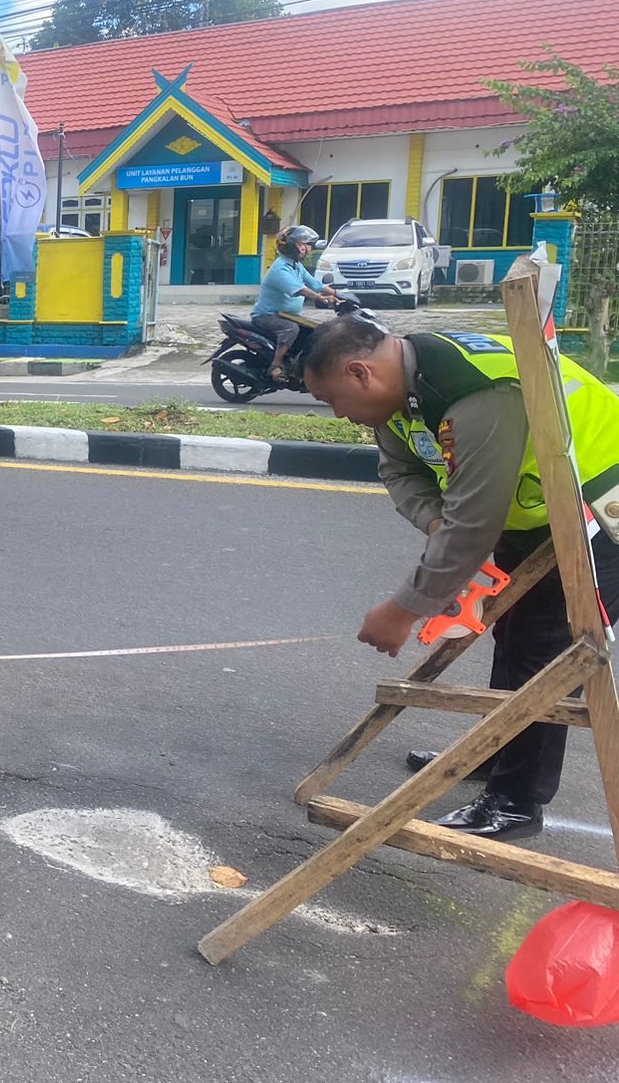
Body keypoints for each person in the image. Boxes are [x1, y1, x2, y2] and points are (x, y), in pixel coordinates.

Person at [303, 316, 619, 841]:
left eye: (333, 400)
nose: (338, 414)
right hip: (541, 509)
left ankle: (516, 803)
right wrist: (434, 520)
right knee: (515, 637)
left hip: (601, 508)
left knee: (546, 657)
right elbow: (401, 472)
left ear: (361, 373)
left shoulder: (478, 393)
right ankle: (495, 750)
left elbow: (474, 523)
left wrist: (403, 611)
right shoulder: (402, 394)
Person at [252, 225, 337, 383]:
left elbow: (314, 283)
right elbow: (300, 290)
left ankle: (297, 364)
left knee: (315, 332)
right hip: (267, 316)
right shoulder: (280, 269)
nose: (306, 248)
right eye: (301, 244)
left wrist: (337, 294)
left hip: (288, 315)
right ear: (290, 245)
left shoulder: (296, 266)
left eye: (307, 244)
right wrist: (321, 298)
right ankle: (275, 366)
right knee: (291, 329)